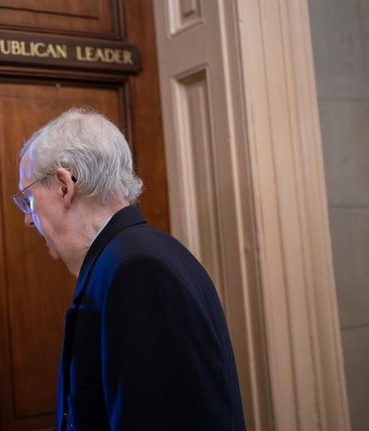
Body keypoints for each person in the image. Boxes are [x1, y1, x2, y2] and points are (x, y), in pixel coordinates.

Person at [13, 108, 245, 430]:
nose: (27, 218)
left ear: (65, 186)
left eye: (29, 201)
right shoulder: (132, 257)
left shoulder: (137, 271)